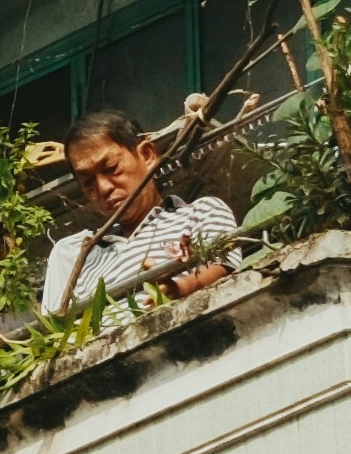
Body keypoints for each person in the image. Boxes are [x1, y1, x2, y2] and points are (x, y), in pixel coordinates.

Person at [38, 106, 240, 316]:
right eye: (88, 182)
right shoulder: (82, 257)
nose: (103, 188)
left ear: (146, 155)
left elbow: (222, 268)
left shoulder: (201, 213)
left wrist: (180, 289)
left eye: (111, 168)